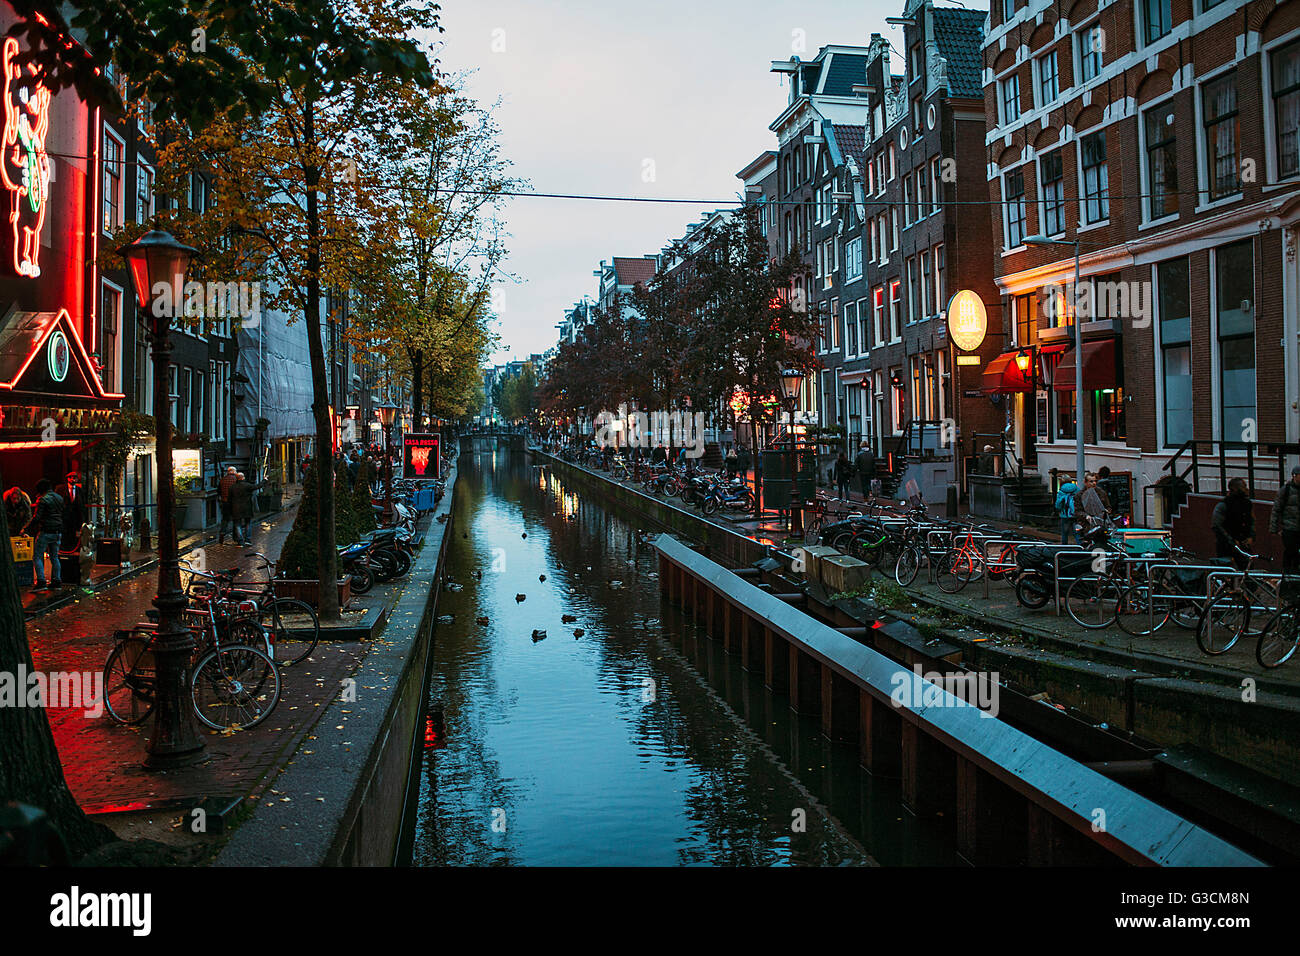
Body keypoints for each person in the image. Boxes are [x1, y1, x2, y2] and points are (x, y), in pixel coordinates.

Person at [25, 478, 64, 591]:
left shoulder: (43, 500)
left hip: (46, 530)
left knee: (37, 555)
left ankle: (41, 581)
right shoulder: (59, 498)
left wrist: (26, 528)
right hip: (57, 531)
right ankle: (57, 580)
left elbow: (37, 517)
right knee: (54, 556)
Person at [1212, 477, 1255, 568]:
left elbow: (1251, 521)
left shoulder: (1247, 503)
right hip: (1226, 545)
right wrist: (1230, 540)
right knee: (1227, 570)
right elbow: (1217, 525)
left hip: (1243, 543)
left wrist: (1251, 536)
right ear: (1234, 488)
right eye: (1243, 487)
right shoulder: (1224, 504)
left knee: (1247, 568)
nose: (1246, 489)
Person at [1270, 465, 1300, 580]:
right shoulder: (1285, 490)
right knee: (1290, 551)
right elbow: (1276, 509)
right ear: (1294, 476)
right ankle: (1288, 575)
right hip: (1289, 527)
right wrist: (1274, 528)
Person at [229, 472, 255, 546]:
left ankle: (240, 541)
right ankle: (247, 539)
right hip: (247, 508)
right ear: (243, 477)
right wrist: (265, 480)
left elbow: (229, 499)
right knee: (248, 523)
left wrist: (230, 508)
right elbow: (257, 486)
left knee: (237, 524)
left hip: (236, 508)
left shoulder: (232, 487)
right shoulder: (247, 485)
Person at [1055, 474, 1079, 545]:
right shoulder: (1076, 489)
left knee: (1064, 533)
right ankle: (1080, 546)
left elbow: (1058, 505)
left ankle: (1064, 548)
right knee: (1077, 533)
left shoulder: (1061, 491)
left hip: (1065, 515)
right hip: (1075, 514)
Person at [217, 465, 239, 544]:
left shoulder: (222, 480)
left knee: (225, 519)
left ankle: (222, 534)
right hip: (234, 502)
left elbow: (219, 490)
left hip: (225, 502)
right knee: (236, 519)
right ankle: (236, 537)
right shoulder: (236, 480)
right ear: (234, 472)